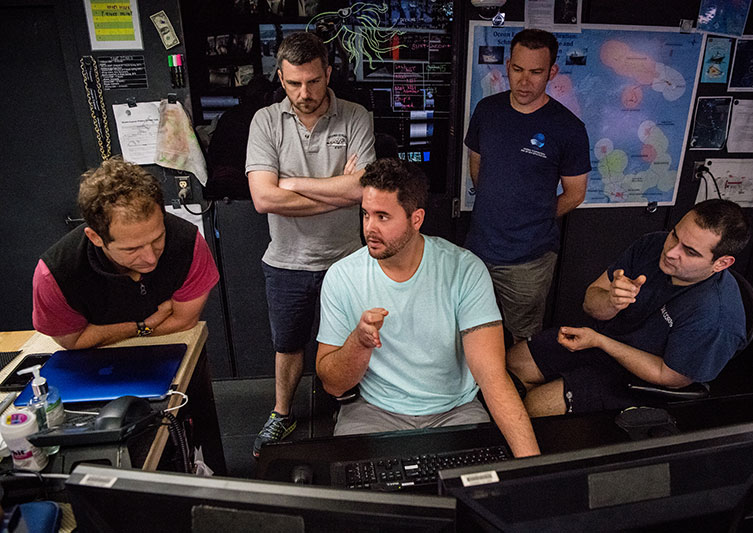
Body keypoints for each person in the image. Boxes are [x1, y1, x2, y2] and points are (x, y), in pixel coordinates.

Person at [316, 159, 540, 458]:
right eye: (366, 214)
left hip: (455, 410)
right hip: (373, 411)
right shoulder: (342, 276)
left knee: (478, 496)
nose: (370, 227)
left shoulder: (464, 270)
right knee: (365, 499)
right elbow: (332, 384)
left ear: (416, 218)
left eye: (383, 217)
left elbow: (492, 377)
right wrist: (358, 342)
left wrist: (532, 466)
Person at [246, 31, 375, 454]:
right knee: (287, 345)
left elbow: (362, 192)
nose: (305, 92)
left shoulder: (355, 115)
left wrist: (296, 183)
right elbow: (264, 198)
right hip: (285, 261)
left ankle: (350, 404)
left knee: (351, 339)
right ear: (280, 79)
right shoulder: (265, 121)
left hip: (347, 259)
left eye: (314, 82)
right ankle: (282, 413)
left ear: (328, 73)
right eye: (294, 83)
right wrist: (336, 191)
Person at [507, 199, 750, 416]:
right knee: (512, 363)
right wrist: (611, 301)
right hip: (600, 343)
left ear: (721, 263)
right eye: (675, 235)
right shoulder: (653, 245)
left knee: (536, 406)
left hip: (639, 379)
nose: (671, 252)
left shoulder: (716, 316)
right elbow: (590, 303)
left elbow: (672, 377)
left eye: (690, 251)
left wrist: (601, 342)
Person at [464, 28, 591, 343]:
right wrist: (497, 205)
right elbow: (476, 164)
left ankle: (517, 390)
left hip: (529, 259)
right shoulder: (487, 111)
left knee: (523, 336)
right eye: (518, 69)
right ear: (507, 65)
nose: (524, 80)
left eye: (536, 72)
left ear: (552, 72)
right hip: (478, 248)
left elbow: (575, 194)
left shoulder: (569, 128)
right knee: (468, 327)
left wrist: (534, 217)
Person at [32, 157, 220, 349]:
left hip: (174, 345)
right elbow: (74, 341)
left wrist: (100, 332)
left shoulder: (188, 243)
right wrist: (143, 326)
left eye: (157, 239)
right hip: (94, 362)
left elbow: (184, 322)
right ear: (95, 238)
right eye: (132, 249)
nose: (150, 258)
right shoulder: (56, 274)